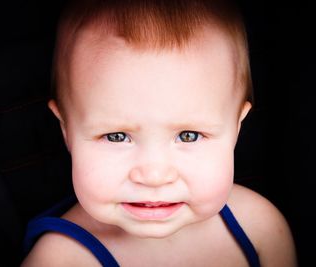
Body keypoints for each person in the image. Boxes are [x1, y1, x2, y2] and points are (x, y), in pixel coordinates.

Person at [21, 0, 297, 266]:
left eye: (188, 135)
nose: (154, 176)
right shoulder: (61, 260)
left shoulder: (260, 226)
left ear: (236, 128)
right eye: (117, 136)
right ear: (66, 129)